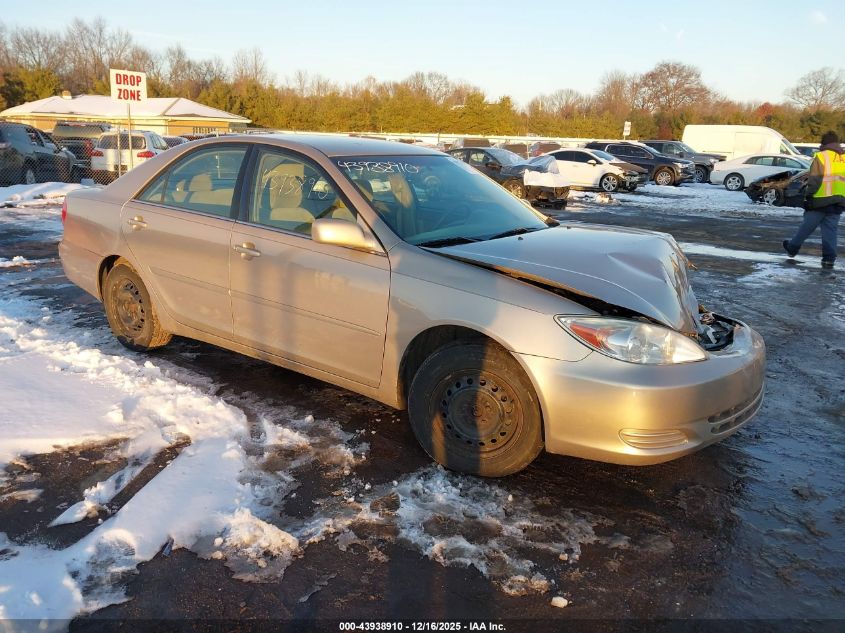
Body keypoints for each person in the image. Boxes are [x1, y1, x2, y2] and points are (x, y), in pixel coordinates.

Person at [783, 130, 844, 269]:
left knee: (806, 227)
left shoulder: (822, 156)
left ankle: (792, 248)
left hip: (819, 200)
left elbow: (815, 179)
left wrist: (808, 196)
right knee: (830, 231)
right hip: (838, 202)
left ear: (824, 143)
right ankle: (829, 259)